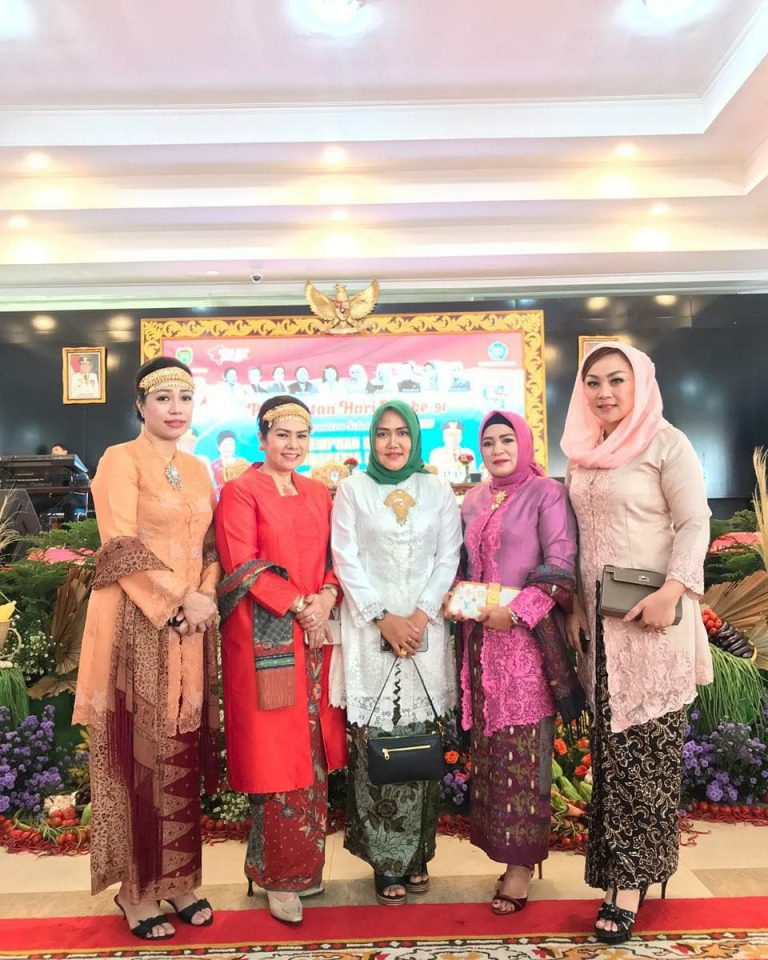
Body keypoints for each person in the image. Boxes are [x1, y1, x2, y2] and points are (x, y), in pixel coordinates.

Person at [561, 343, 713, 946]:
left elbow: (695, 521)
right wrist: (576, 604)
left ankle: (628, 888)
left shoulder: (667, 443)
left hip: (652, 624)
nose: (604, 393)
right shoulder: (583, 453)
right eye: (593, 382)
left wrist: (674, 591)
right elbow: (580, 537)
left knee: (645, 759)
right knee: (613, 761)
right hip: (601, 633)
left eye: (616, 380)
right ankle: (618, 875)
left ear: (640, 383)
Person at [73, 357, 220, 941]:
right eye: (163, 398)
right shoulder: (120, 459)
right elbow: (120, 546)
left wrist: (203, 596)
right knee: (138, 754)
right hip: (136, 624)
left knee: (179, 748)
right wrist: (180, 599)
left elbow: (210, 547)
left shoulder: (198, 468)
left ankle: (178, 880)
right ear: (140, 406)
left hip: (188, 630)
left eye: (185, 397)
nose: (175, 408)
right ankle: (135, 892)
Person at [214, 395, 347, 925]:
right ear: (263, 438)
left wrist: (327, 597)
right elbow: (241, 565)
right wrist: (298, 605)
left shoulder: (317, 492)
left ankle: (303, 868)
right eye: (283, 435)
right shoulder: (240, 491)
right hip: (264, 640)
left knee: (312, 751)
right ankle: (277, 877)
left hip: (316, 636)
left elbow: (336, 559)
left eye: (302, 436)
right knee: (277, 754)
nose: (293, 445)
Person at [331, 400, 461, 906]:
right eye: (383, 433)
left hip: (425, 632)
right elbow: (345, 558)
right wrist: (383, 618)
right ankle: (385, 859)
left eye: (401, 432)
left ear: (415, 438)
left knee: (421, 741)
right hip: (371, 629)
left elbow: (448, 556)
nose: (392, 443)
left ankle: (419, 852)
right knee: (377, 740)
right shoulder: (354, 489)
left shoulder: (437, 489)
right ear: (371, 438)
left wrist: (420, 617)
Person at [452, 411, 581, 915]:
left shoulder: (546, 493)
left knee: (524, 755)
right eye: (489, 442)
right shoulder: (473, 499)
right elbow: (464, 566)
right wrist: (456, 598)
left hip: (526, 646)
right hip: (479, 645)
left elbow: (560, 565)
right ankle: (505, 853)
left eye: (508, 439)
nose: (499, 449)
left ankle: (521, 867)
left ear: (524, 444)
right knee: (493, 756)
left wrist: (517, 612)